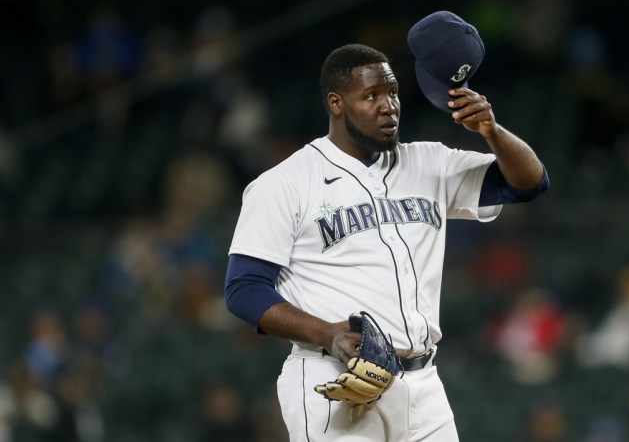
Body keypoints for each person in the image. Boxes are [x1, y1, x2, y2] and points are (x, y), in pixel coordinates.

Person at [224, 35, 548, 441]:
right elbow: (243, 289)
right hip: (335, 380)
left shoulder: (429, 161)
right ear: (336, 103)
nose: (388, 106)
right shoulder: (285, 183)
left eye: (392, 93)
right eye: (371, 95)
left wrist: (492, 131)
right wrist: (328, 333)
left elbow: (529, 183)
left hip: (424, 384)